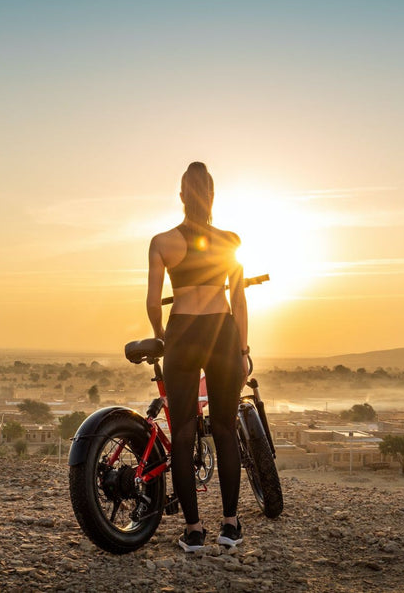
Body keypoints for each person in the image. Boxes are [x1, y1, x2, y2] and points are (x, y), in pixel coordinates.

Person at [146, 161, 250, 553]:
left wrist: (162, 335)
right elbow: (239, 300)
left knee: (184, 433)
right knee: (224, 430)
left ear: (181, 195)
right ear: (211, 195)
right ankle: (230, 525)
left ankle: (193, 531)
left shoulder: (162, 242)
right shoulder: (231, 240)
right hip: (222, 332)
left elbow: (153, 303)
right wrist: (242, 350)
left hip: (183, 332)